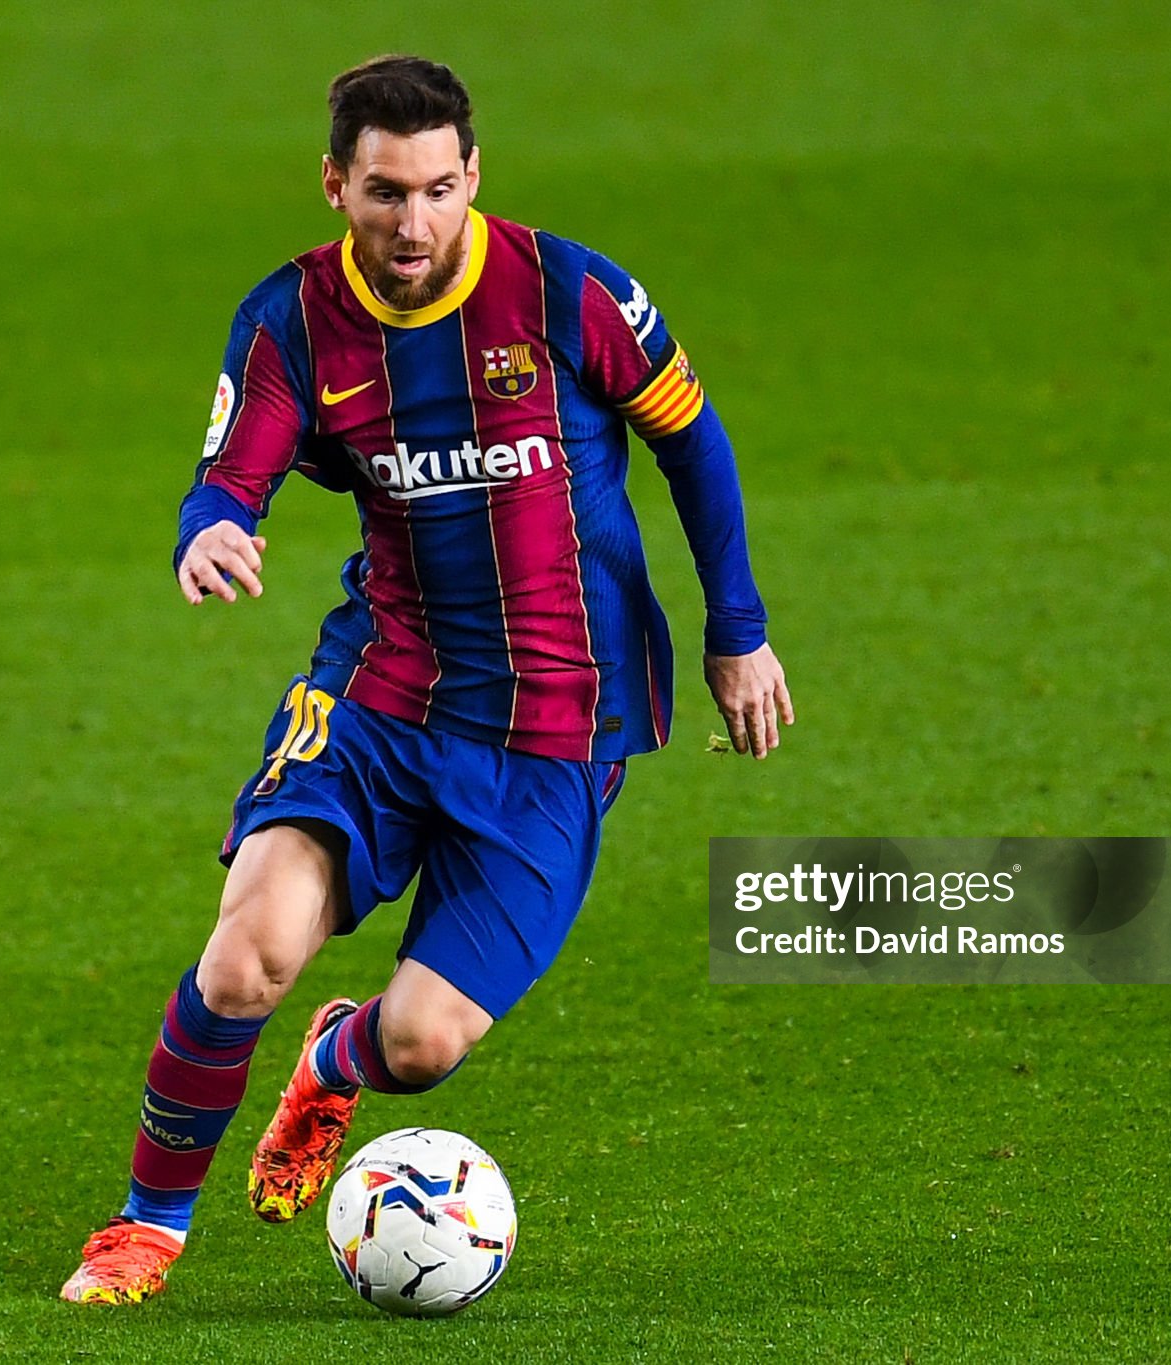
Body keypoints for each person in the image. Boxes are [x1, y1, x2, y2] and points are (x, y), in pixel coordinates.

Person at [61, 53, 792, 1305]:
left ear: (472, 176)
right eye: (385, 193)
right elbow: (228, 476)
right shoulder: (293, 319)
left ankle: (333, 1063)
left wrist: (738, 630)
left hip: (558, 727)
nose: (414, 224)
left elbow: (693, 442)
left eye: (439, 190)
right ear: (334, 184)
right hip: (382, 694)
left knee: (419, 1042)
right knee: (244, 960)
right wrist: (210, 529)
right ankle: (144, 1228)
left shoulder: (567, 292)